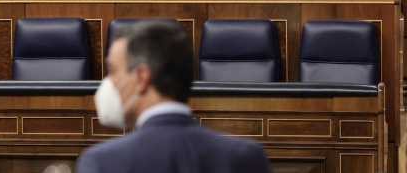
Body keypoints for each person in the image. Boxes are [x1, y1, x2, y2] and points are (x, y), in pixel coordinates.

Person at [76, 21, 271, 173]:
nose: (108, 81)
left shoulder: (103, 162)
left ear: (141, 77)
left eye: (112, 70)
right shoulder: (245, 157)